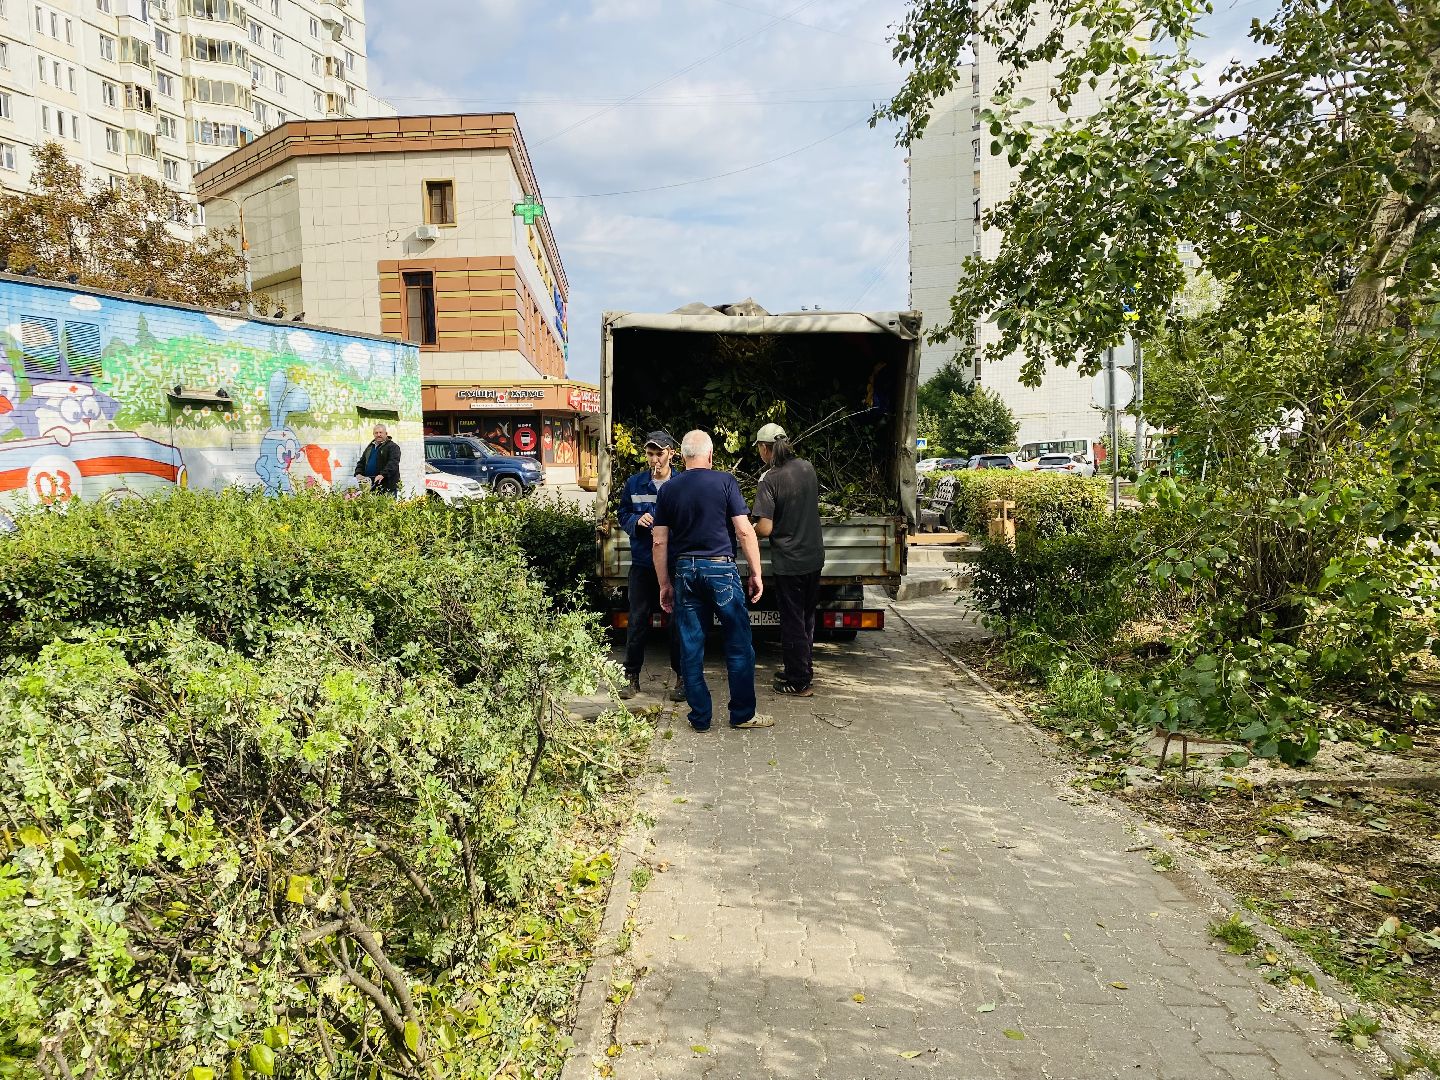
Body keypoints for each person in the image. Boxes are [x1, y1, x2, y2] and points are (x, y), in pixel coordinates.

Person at [653, 430, 773, 732]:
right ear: (710, 456)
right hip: (720, 570)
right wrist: (756, 573)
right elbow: (745, 532)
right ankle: (743, 714)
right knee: (738, 644)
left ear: (682, 457)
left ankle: (700, 718)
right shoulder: (725, 482)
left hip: (685, 572)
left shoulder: (668, 490)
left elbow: (659, 542)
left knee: (691, 646)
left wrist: (664, 583)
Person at [752, 423, 825, 696]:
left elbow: (766, 528)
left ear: (764, 448)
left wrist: (747, 532)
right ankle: (803, 669)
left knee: (792, 621)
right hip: (814, 557)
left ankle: (798, 682)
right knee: (807, 618)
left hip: (790, 561)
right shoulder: (807, 468)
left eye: (759, 447)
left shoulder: (769, 479)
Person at [616, 430, 684, 702]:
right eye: (649, 453)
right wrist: (635, 521)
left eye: (659, 453)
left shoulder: (682, 482)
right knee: (637, 621)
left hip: (675, 562)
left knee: (679, 622)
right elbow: (622, 514)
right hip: (643, 563)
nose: (654, 459)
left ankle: (682, 678)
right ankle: (631, 677)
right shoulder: (634, 484)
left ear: (671, 454)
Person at [354, 423, 401, 495]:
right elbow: (362, 462)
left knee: (387, 506)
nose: (378, 434)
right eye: (376, 433)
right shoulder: (370, 447)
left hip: (387, 486)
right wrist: (358, 473)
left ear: (386, 433)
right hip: (370, 486)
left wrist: (382, 475)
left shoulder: (393, 447)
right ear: (373, 434)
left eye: (380, 432)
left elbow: (393, 463)